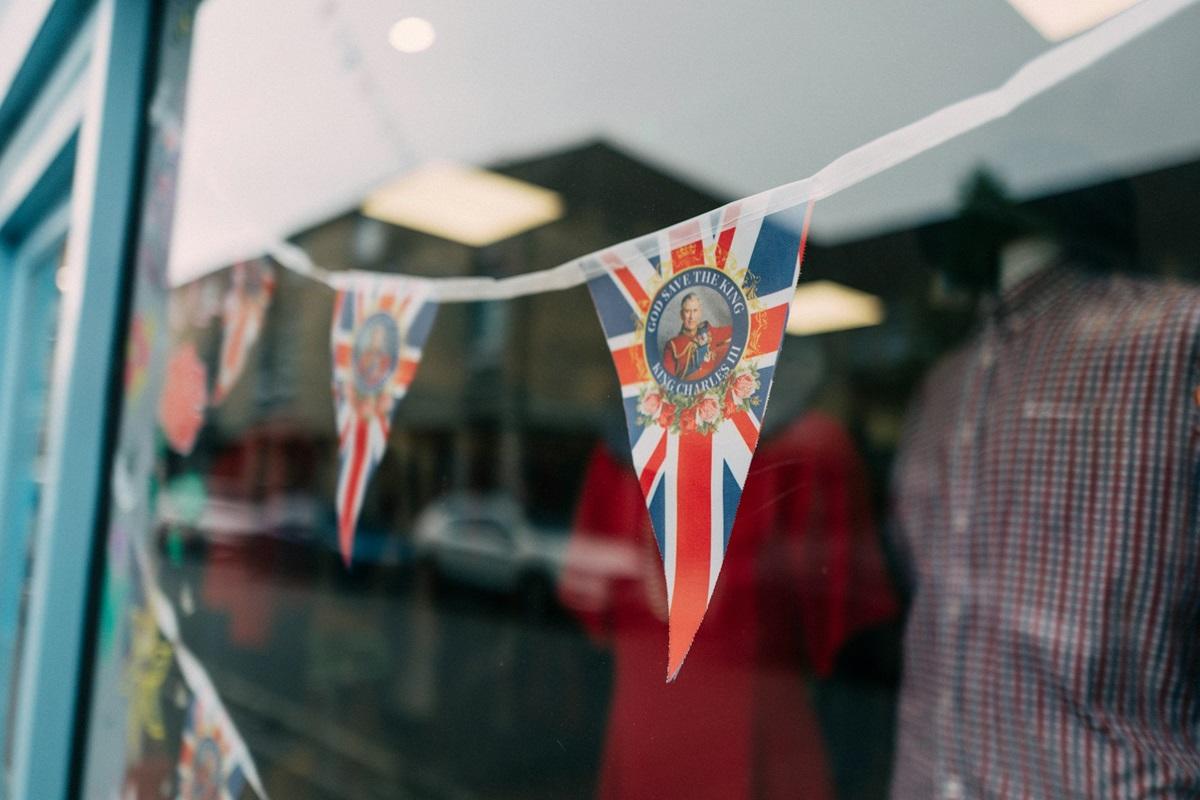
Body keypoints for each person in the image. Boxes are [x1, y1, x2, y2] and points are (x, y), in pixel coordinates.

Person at [662, 293, 732, 380]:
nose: (691, 317)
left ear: (700, 313)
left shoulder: (709, 332)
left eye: (695, 311)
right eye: (687, 311)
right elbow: (668, 381)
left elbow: (737, 330)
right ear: (681, 315)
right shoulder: (672, 346)